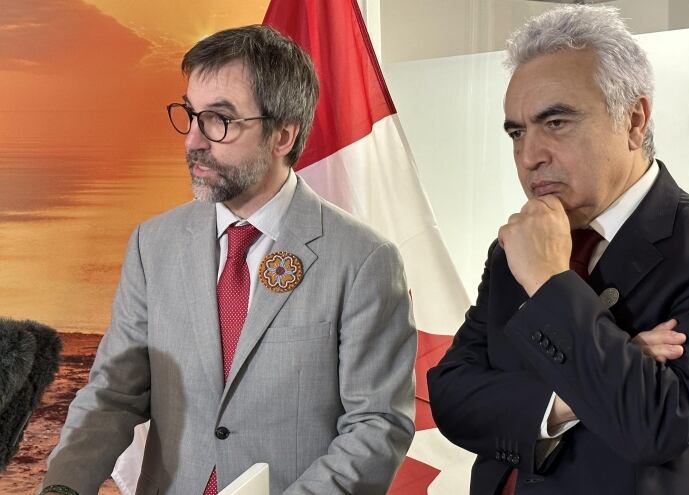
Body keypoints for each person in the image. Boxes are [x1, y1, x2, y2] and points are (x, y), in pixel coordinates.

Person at [40, 25, 416, 495]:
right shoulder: (152, 244)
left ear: (283, 135)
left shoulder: (364, 260)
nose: (193, 141)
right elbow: (113, 394)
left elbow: (376, 426)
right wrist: (62, 487)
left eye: (218, 119)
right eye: (191, 115)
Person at [427, 5, 689, 495]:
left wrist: (550, 282)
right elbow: (450, 398)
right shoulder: (514, 246)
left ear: (634, 121)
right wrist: (576, 393)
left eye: (556, 122)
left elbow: (655, 424)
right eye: (516, 132)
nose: (529, 156)